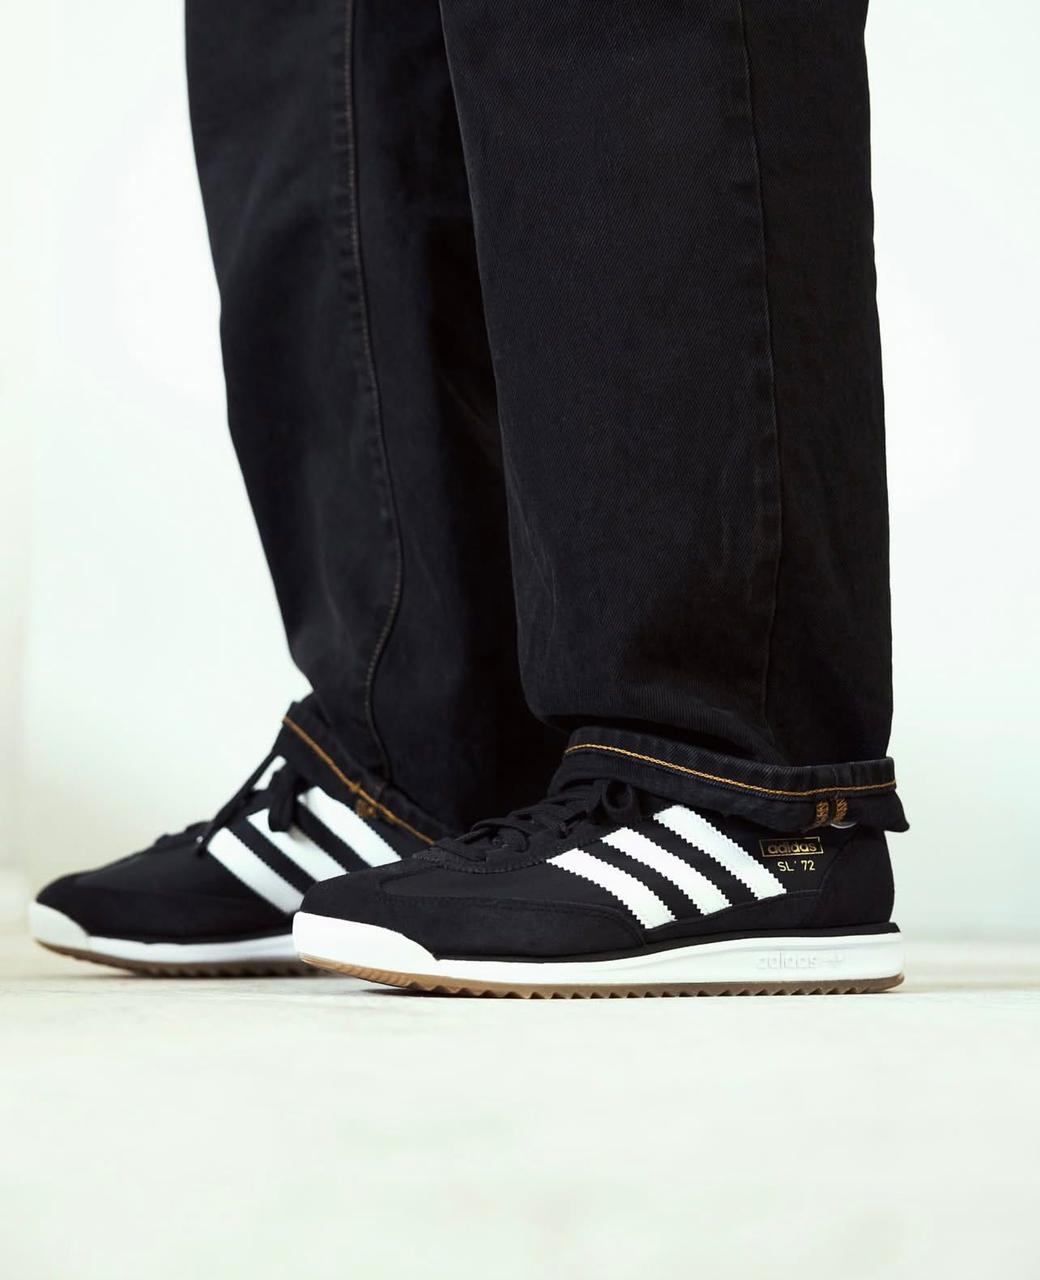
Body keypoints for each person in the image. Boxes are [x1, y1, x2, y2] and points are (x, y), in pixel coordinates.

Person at [30, 0, 907, 996]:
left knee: (604, 31)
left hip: (747, 782)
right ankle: (422, 770)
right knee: (310, 34)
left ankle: (737, 793)